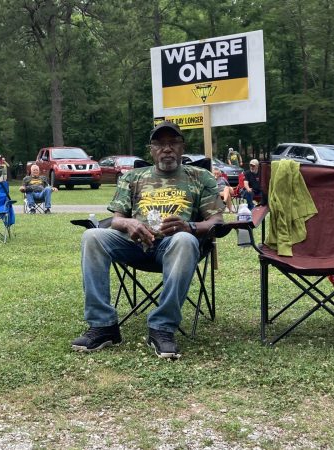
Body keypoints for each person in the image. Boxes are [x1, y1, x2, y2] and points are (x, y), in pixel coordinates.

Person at [71, 121, 224, 359]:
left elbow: (217, 221)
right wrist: (129, 223)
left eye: (173, 142)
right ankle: (103, 326)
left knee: (184, 240)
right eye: (160, 144)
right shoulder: (133, 177)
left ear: (182, 147)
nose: (167, 148)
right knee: (92, 236)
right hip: (134, 245)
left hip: (174, 248)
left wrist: (190, 226)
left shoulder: (200, 176)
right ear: (151, 150)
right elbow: (117, 219)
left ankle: (162, 328)